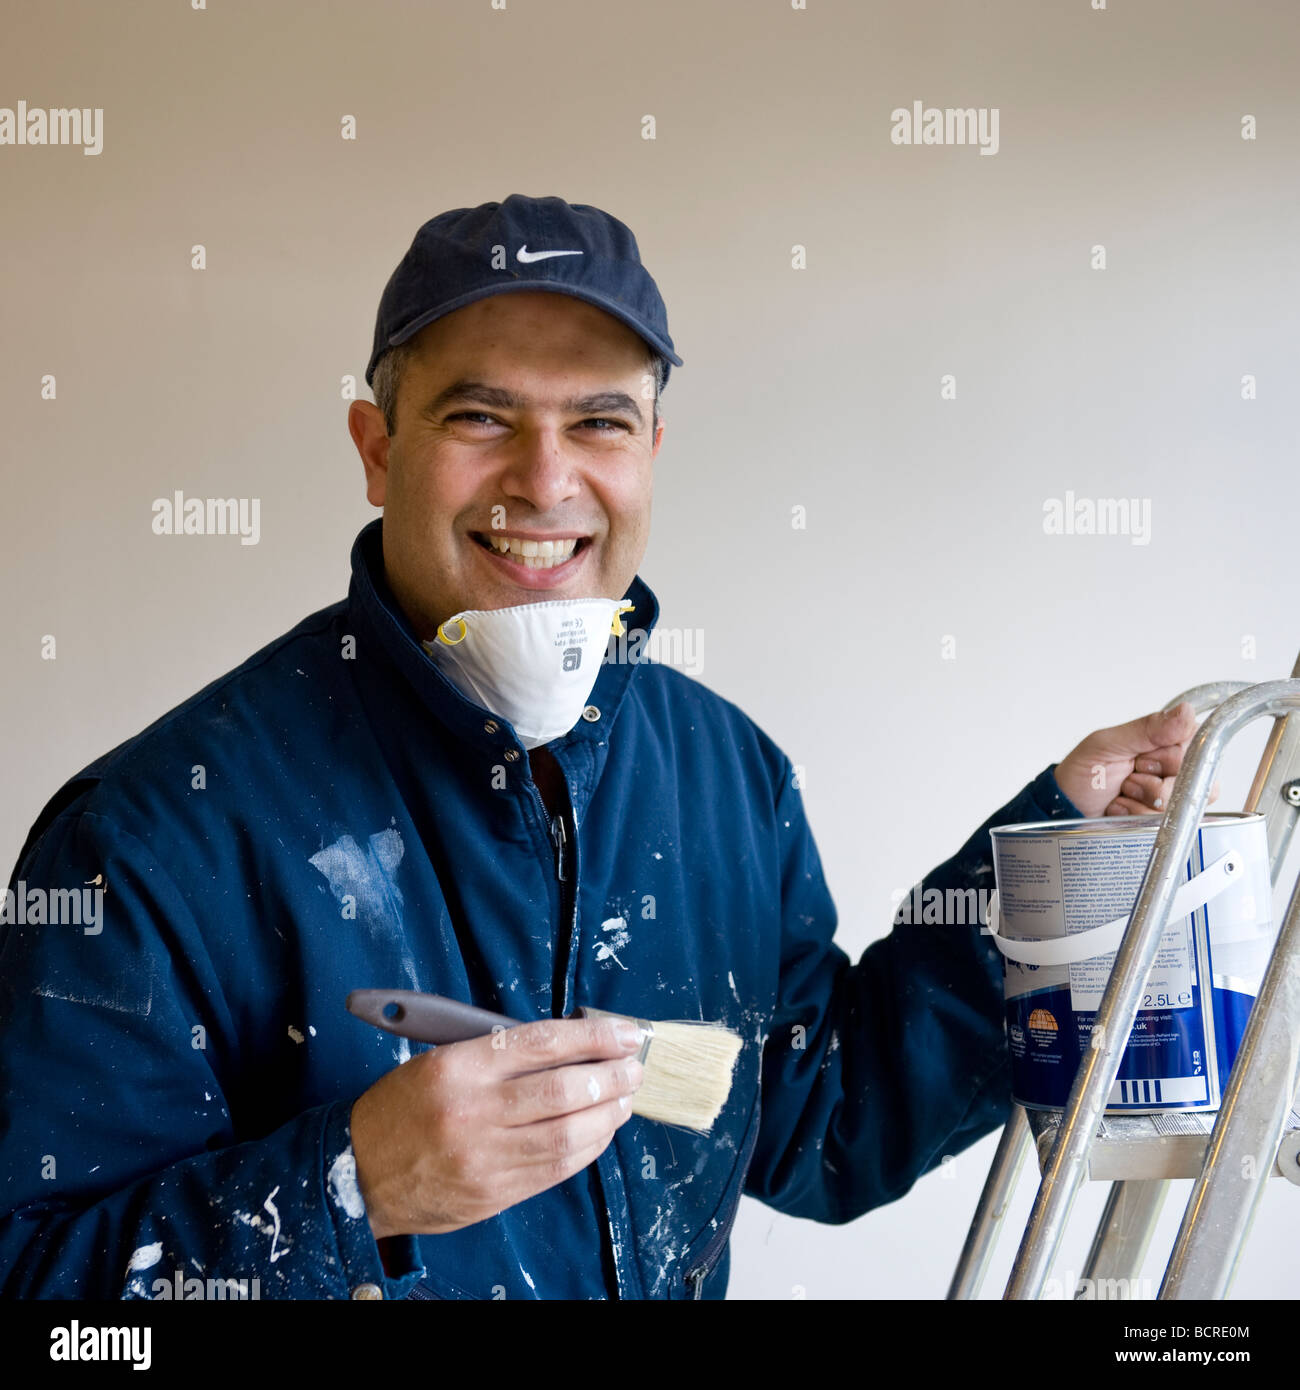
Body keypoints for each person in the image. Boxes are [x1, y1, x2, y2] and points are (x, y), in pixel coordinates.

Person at [0, 195, 1204, 1300]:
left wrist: (1044, 865)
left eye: (599, 420)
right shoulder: (155, 835)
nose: (545, 476)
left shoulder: (725, 775)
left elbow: (812, 1121)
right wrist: (353, 1187)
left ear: (650, 455)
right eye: (481, 415)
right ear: (376, 449)